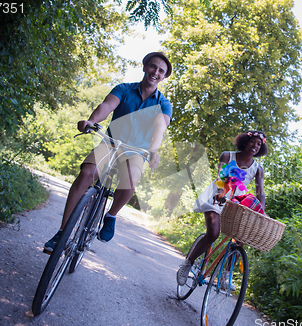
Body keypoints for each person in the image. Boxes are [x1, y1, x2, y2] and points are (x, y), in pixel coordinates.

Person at [44, 52, 173, 254]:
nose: (155, 72)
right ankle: (62, 233)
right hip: (110, 143)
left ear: (164, 77)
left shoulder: (164, 104)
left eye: (161, 71)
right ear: (144, 67)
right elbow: (106, 106)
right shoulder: (124, 89)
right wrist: (91, 122)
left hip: (135, 152)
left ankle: (111, 215)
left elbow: (159, 129)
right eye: (152, 66)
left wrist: (154, 150)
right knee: (87, 173)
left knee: (130, 180)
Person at [176, 130, 268, 285]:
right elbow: (221, 176)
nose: (255, 146)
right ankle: (187, 264)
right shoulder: (227, 155)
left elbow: (260, 193)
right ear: (245, 141)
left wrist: (262, 212)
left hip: (237, 202)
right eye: (253, 142)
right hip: (218, 194)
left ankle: (225, 276)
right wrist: (220, 193)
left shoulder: (258, 169)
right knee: (213, 233)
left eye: (259, 144)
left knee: (240, 239)